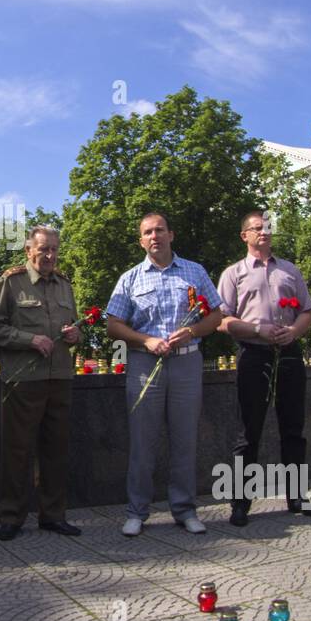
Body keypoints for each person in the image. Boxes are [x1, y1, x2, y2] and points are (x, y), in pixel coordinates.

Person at [105, 212, 223, 536]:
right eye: (147, 232)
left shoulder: (194, 271)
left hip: (187, 361)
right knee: (143, 440)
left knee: (185, 439)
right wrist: (146, 340)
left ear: (171, 235)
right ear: (141, 240)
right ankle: (136, 511)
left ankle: (184, 509)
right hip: (145, 363)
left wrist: (194, 330)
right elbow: (113, 325)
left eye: (159, 230)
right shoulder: (130, 278)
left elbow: (217, 315)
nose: (154, 236)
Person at [217, 211, 311, 525]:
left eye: (267, 227)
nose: (263, 231)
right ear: (244, 236)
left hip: (289, 352)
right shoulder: (233, 274)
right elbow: (221, 321)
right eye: (256, 227)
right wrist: (255, 331)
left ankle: (297, 497)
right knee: (247, 432)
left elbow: (307, 311)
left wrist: (294, 332)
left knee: (293, 428)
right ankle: (240, 503)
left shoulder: (290, 270)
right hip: (254, 354)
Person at [0, 226, 82, 541]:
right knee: (17, 450)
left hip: (60, 377)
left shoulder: (65, 285)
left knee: (56, 449)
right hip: (23, 380)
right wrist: (29, 339)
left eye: (54, 249)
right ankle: (11, 517)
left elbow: (75, 327)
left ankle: (53, 515)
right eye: (43, 249)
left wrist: (76, 335)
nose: (50, 255)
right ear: (29, 250)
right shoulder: (11, 282)